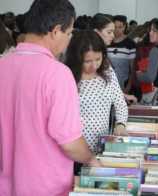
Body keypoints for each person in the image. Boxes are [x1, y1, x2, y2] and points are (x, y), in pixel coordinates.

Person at [0, 0, 99, 196]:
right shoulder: (57, 74)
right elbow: (69, 143)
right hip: (47, 187)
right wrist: (90, 159)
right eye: (69, 33)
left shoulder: (3, 65)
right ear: (56, 31)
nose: (69, 40)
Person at [65, 30, 128, 152]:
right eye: (87, 61)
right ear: (76, 58)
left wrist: (120, 124)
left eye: (98, 59)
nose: (94, 65)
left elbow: (120, 102)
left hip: (101, 146)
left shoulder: (108, 72)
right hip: (76, 148)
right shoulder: (67, 76)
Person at [92, 14, 138, 104]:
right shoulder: (94, 54)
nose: (113, 35)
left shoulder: (129, 44)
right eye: (109, 32)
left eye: (119, 28)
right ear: (97, 32)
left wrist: (123, 94)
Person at [107, 15, 136, 92]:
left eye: (120, 27)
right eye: (115, 27)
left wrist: (129, 85)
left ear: (125, 27)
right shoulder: (107, 41)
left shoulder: (130, 44)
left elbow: (132, 67)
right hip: (108, 84)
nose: (117, 30)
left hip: (123, 84)